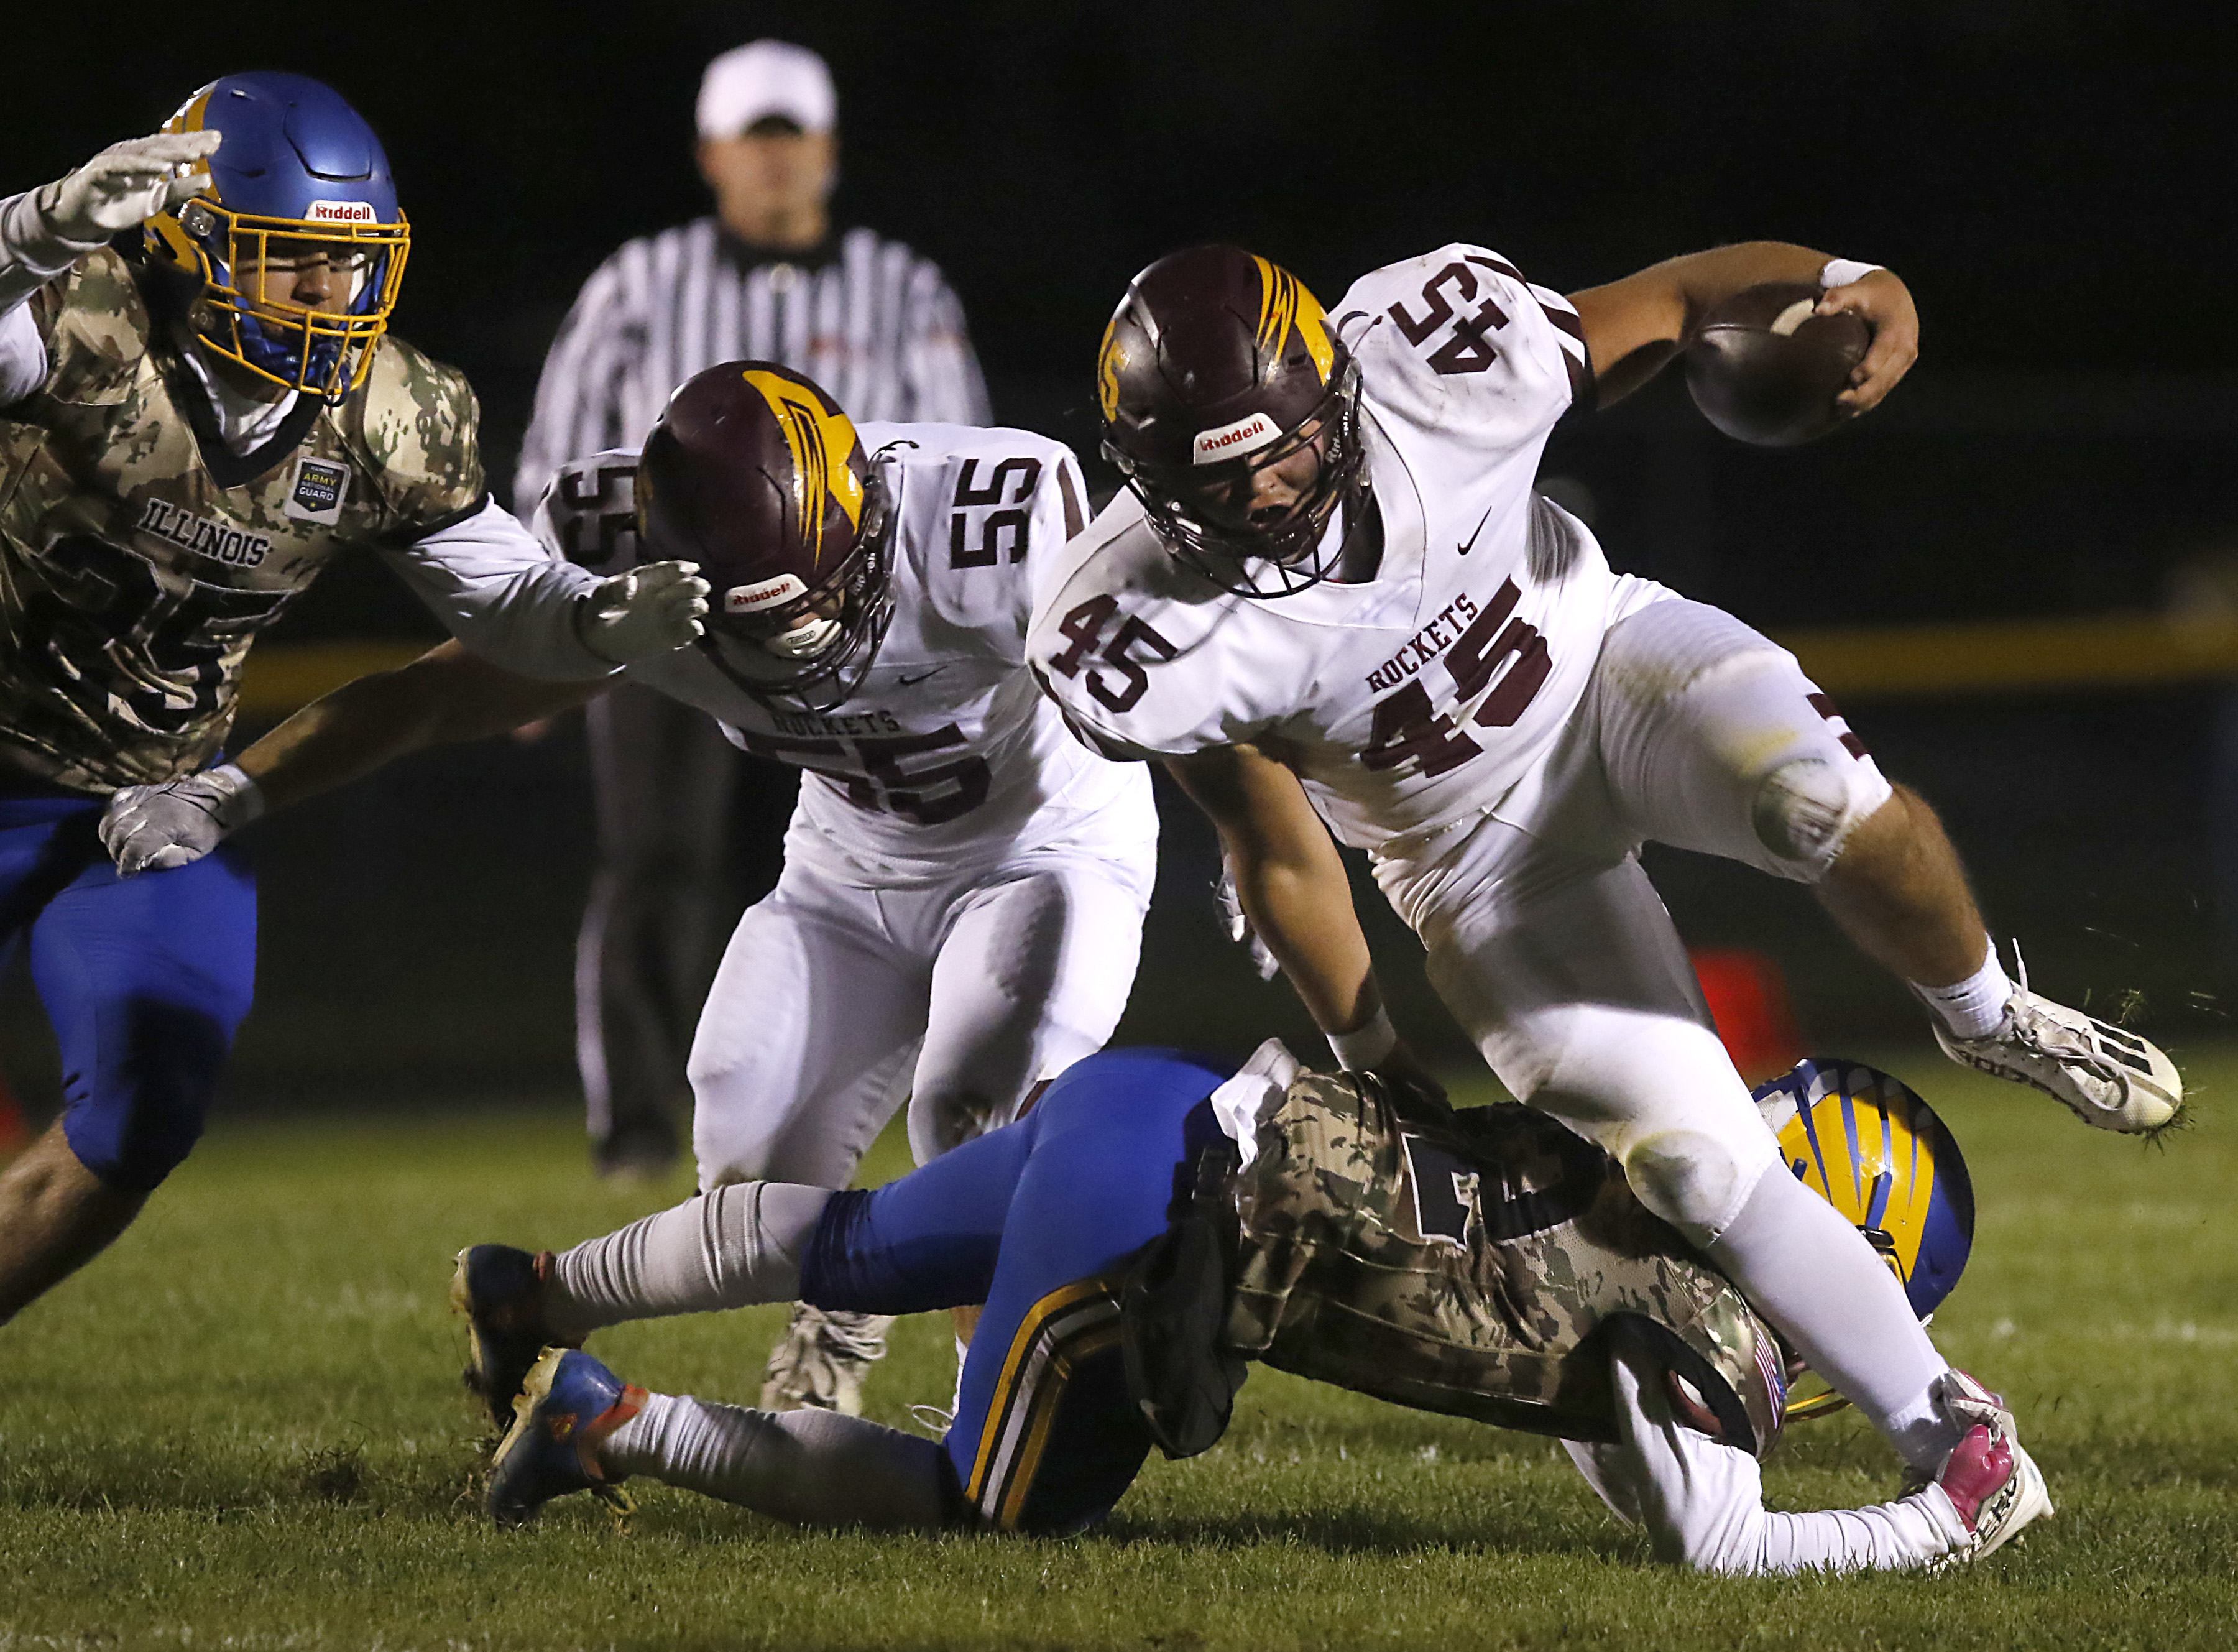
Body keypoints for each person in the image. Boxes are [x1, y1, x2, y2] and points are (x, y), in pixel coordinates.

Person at [1020, 243, 2177, 1517]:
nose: (1261, 493)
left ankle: (1986, 1016)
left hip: (1608, 671)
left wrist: (1857, 277)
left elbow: (1683, 301)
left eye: (1280, 448)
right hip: (1465, 854)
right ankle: (1956, 1442)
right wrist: (1370, 1041)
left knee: (1816, 801)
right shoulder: (1129, 630)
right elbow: (1273, 843)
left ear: (1340, 386)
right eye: (1214, 474)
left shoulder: (1437, 356)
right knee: (1689, 1167)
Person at [100, 360, 1156, 1418]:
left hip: (1047, 843)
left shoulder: (994, 517)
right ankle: (849, 1297)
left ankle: (993, 1428)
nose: (804, 644)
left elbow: (1176, 661)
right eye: (758, 624)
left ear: (868, 518)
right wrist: (231, 791)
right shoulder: (618, 551)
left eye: (820, 599)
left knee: (974, 1108)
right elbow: (431, 696)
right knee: (749, 1174)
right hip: (849, 857)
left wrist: (1265, 821)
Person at [0, 74, 704, 1330]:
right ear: (184, 245)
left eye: (350, 264)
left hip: (145, 797)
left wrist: (594, 623)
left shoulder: (393, 415)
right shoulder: (82, 315)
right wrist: (37, 227)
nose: (330, 300)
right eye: (289, 263)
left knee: (149, 1102)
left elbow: (507, 607)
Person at [456, 1042, 2048, 1572]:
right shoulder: (1706, 1322)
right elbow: (1715, 1539)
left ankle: (543, 1288)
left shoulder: (1648, 1133)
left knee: (864, 1241)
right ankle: (617, 1425)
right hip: (1157, 1227)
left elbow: (1596, 1422)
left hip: (1171, 1095)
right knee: (984, 1503)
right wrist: (1938, 1521)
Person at [515, 39, 992, 1184]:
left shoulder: (902, 283)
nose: (776, 164)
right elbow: (561, 460)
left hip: (848, 631)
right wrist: (546, 624)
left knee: (865, 859)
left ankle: (849, 1100)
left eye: (793, 138)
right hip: (664, 619)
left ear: (826, 151)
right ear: (711, 155)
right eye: (754, 139)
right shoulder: (640, 282)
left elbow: (955, 458)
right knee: (656, 864)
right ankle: (639, 1125)